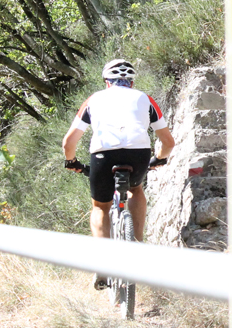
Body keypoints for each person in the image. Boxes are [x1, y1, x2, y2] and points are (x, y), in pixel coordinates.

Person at [62, 59, 175, 255]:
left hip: (103, 155)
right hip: (138, 153)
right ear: (131, 82)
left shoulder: (93, 100)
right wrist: (160, 158)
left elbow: (68, 142)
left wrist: (71, 161)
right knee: (136, 189)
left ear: (107, 81)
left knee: (100, 207)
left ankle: (104, 263)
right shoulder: (146, 99)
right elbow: (168, 143)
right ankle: (138, 245)